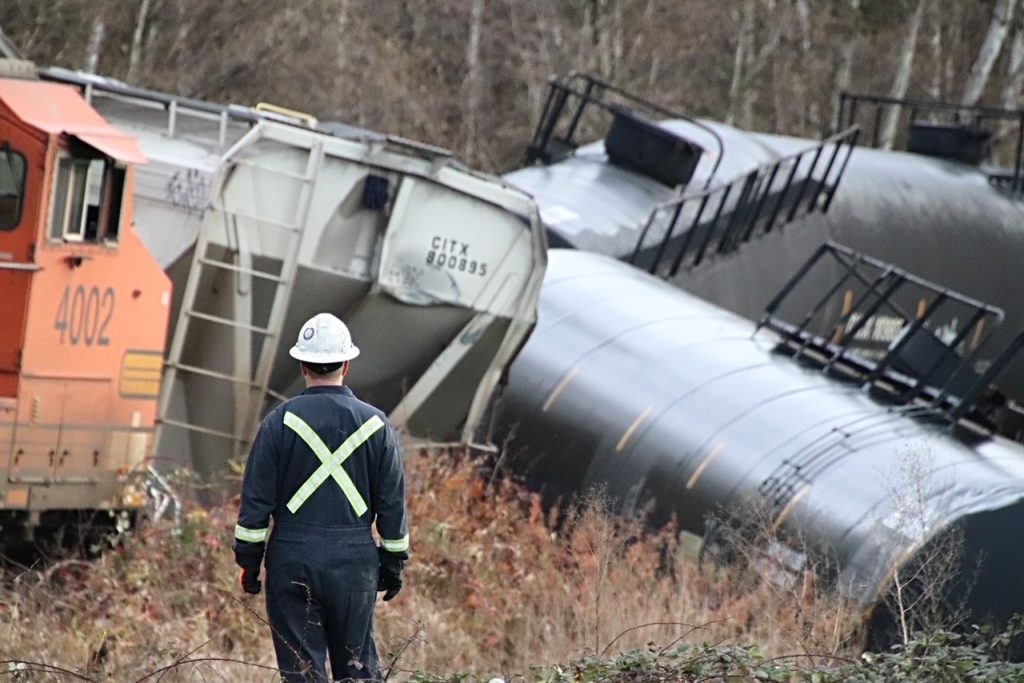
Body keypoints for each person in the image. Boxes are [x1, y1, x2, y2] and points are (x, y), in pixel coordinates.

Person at [233, 312, 409, 681]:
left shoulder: (278, 423)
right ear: (346, 364)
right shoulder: (377, 426)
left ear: (302, 365)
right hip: (354, 566)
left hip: (291, 561)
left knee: (301, 674)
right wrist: (392, 567)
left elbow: (254, 509)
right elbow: (392, 509)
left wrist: (249, 564)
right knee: (358, 671)